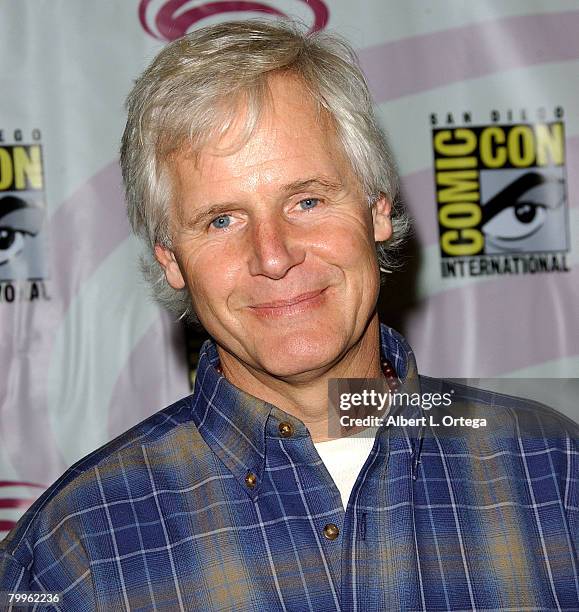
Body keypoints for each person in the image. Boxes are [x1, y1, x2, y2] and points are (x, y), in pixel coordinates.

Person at [1, 19, 577, 611]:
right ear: (172, 260)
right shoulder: (73, 552)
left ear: (377, 210)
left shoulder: (554, 471)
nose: (273, 256)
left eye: (307, 200)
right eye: (222, 220)